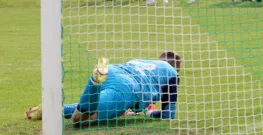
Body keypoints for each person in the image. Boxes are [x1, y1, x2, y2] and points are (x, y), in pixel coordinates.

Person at [25, 52, 181, 123]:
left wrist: (140, 108)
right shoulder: (172, 73)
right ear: (177, 68)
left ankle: (45, 110)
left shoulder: (143, 62)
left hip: (114, 71)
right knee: (80, 119)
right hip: (127, 87)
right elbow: (168, 115)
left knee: (92, 108)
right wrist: (150, 113)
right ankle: (94, 83)